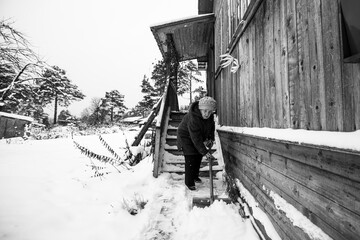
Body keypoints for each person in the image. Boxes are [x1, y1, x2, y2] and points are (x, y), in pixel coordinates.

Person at [177, 96, 216, 191]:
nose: (207, 114)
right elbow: (196, 138)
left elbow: (211, 128)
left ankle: (195, 176)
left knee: (198, 156)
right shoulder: (193, 118)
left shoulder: (210, 117)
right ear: (200, 109)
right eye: (205, 111)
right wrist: (205, 152)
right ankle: (189, 182)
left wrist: (210, 138)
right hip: (185, 137)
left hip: (197, 136)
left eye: (210, 112)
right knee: (191, 157)